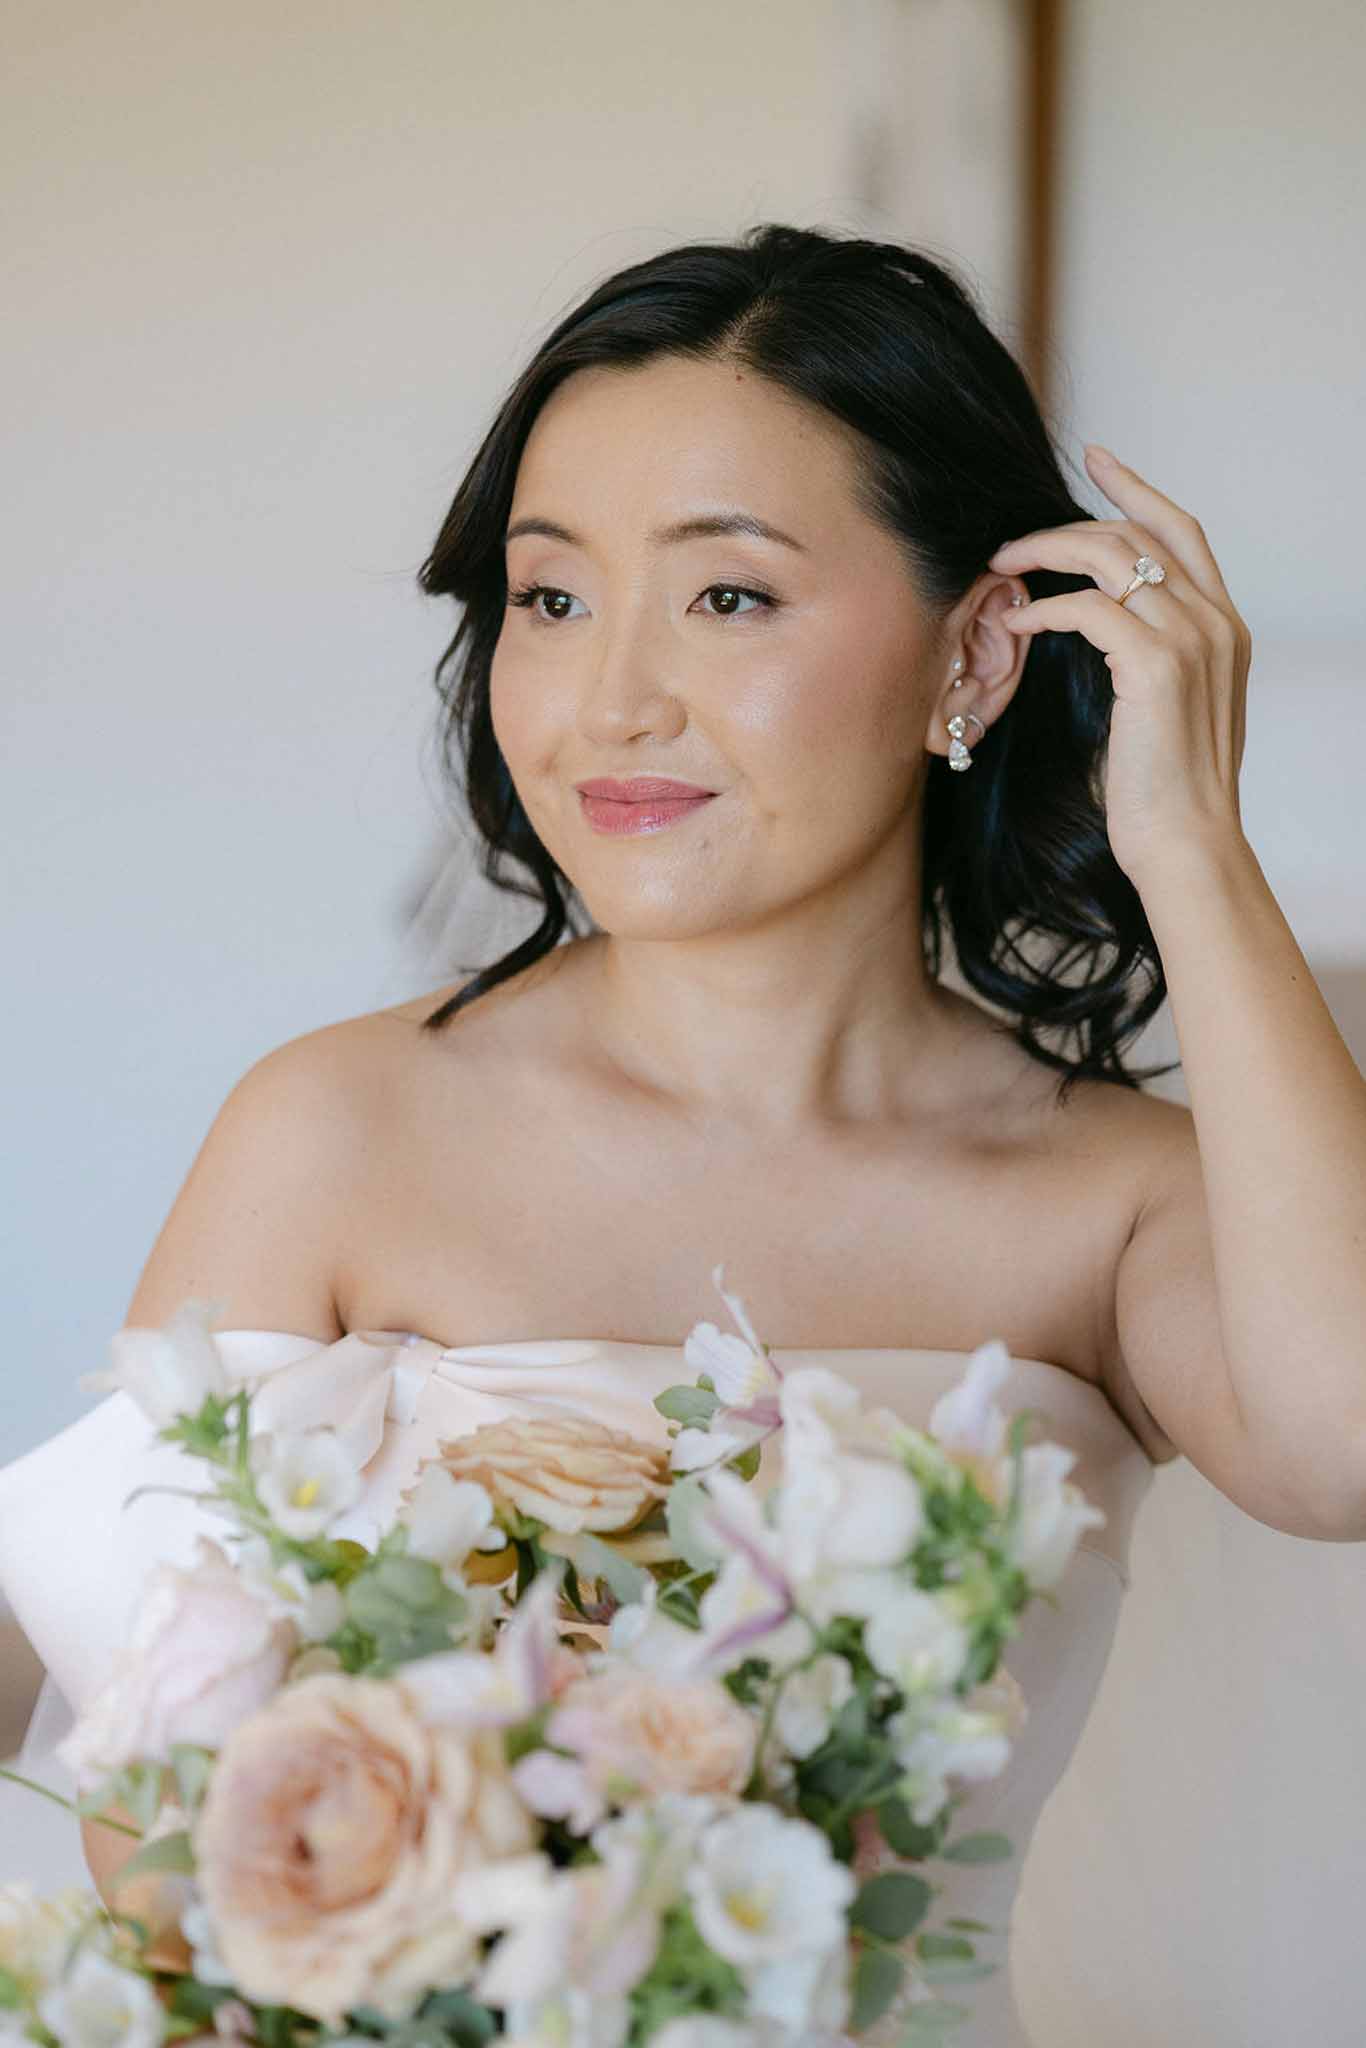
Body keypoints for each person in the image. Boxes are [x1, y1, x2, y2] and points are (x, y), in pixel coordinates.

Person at [4, 222, 1365, 2046]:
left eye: (727, 597)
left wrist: (1186, 834)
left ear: (974, 648)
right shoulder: (340, 1128)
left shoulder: (1113, 1203)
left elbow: (1343, 1450)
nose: (610, 700)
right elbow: (147, 1786)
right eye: (551, 598)